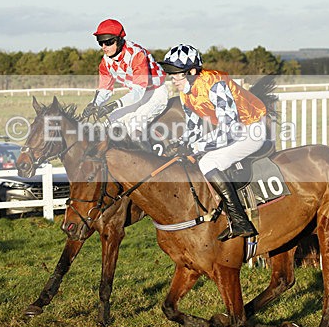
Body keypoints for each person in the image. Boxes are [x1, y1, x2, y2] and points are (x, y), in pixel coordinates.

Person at [159, 44, 267, 241]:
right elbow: (194, 129)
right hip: (234, 129)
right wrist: (180, 144)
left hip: (251, 129)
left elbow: (229, 132)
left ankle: (240, 221)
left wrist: (196, 146)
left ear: (192, 72)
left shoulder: (215, 84)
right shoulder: (186, 91)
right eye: (170, 74)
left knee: (208, 162)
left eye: (176, 74)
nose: (172, 79)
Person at [81, 19, 168, 142]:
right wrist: (94, 104)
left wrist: (114, 105)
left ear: (120, 40)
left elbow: (138, 91)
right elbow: (105, 90)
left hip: (155, 93)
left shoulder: (137, 54)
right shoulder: (105, 62)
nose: (104, 47)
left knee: (134, 124)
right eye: (100, 42)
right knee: (109, 123)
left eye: (109, 42)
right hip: (137, 96)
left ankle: (144, 158)